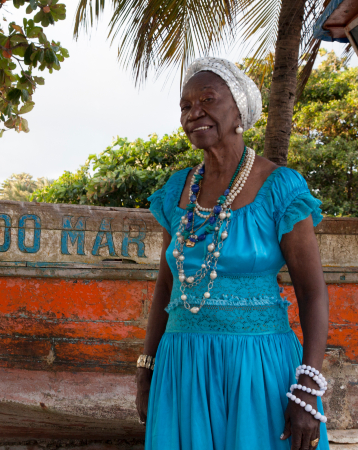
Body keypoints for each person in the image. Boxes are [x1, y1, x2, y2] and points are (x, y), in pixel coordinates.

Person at [136, 57, 330, 450]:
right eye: (186, 106)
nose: (195, 112)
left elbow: (313, 293)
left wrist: (308, 386)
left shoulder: (281, 188)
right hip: (182, 367)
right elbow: (166, 285)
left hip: (258, 367)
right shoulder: (177, 191)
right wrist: (147, 366)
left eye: (208, 99)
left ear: (240, 107)